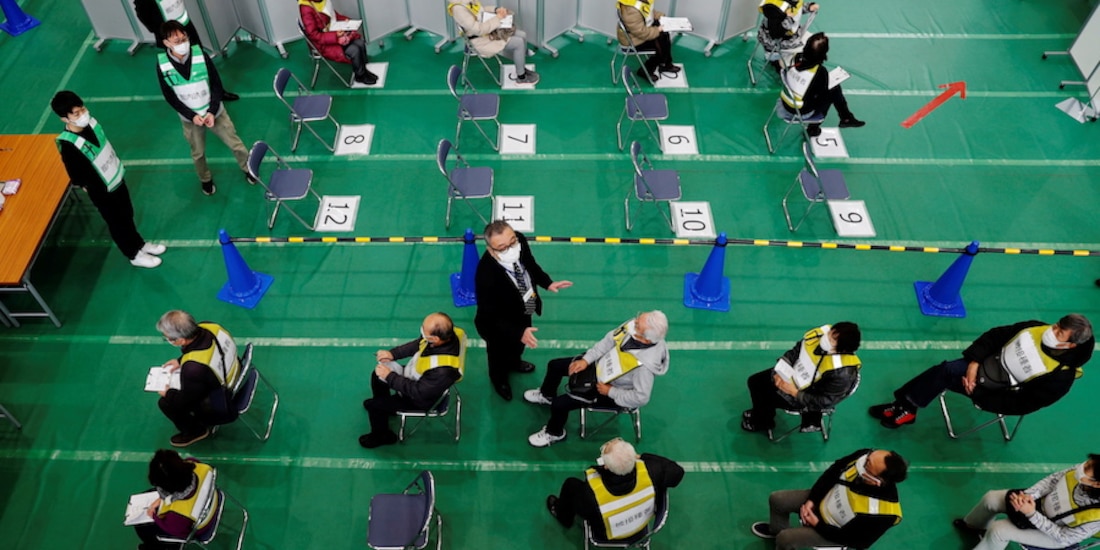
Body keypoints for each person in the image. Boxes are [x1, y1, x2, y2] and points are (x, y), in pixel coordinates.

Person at [869, 314, 1094, 429]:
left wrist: (981, 397)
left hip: (994, 393)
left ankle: (907, 407)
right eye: (1055, 326)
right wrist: (974, 363)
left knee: (945, 373)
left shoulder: (1061, 376)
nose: (1051, 331)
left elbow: (1025, 403)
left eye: (1059, 333)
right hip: (982, 366)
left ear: (1070, 345)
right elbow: (996, 335)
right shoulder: (1035, 328)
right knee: (945, 370)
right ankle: (907, 407)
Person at [51, 91, 166, 269]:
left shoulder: (92, 124)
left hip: (116, 178)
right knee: (117, 222)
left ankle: (139, 243)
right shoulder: (68, 144)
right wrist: (90, 187)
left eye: (83, 109)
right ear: (65, 119)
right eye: (76, 113)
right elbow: (75, 174)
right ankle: (133, 254)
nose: (83, 115)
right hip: (101, 191)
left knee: (127, 214)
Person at [524, 312, 669, 447]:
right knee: (555, 366)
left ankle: (554, 433)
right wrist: (586, 360)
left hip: (608, 390)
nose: (634, 322)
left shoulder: (644, 368)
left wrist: (611, 392)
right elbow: (608, 342)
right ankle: (546, 394)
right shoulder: (632, 327)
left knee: (559, 405)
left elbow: (641, 398)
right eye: (638, 318)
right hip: (599, 366)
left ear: (646, 338)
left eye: (637, 324)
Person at [475, 220, 572, 401]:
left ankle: (514, 362)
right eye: (502, 247)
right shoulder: (485, 274)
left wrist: (547, 282)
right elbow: (490, 315)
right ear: (491, 250)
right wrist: (518, 331)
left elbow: (531, 264)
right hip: (497, 325)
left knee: (518, 346)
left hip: (524, 309)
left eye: (512, 241)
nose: (511, 248)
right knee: (497, 354)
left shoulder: (519, 240)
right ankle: (499, 380)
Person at [157, 20, 253, 197]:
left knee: (235, 144)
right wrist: (191, 115)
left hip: (215, 113)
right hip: (190, 120)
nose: (183, 43)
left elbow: (216, 85)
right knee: (198, 154)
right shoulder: (162, 65)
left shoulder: (201, 55)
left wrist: (211, 110)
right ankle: (205, 179)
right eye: (177, 41)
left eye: (184, 37)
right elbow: (170, 96)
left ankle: (248, 168)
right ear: (166, 43)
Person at [752, 448, 908, 549]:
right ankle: (776, 530)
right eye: (869, 457)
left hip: (833, 531)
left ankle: (781, 542)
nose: (863, 461)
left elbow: (858, 541)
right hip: (822, 502)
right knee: (778, 499)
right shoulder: (865, 456)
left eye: (868, 464)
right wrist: (812, 500)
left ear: (877, 481)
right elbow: (833, 472)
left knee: (786, 539)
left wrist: (817, 524)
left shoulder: (884, 513)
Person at [545, 437, 684, 543]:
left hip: (608, 535)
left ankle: (562, 515)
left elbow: (585, 513)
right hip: (641, 527)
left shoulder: (590, 493)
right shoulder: (651, 471)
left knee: (571, 485)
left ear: (606, 466)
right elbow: (677, 472)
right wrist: (642, 457)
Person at [360, 313, 464, 449]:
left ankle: (382, 436)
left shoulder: (442, 370)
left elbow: (418, 392)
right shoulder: (447, 336)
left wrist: (390, 376)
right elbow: (419, 344)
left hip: (419, 398)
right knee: (378, 374)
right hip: (418, 377)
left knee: (375, 406)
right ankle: (386, 408)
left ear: (435, 339)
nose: (422, 332)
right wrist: (393, 354)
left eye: (424, 331)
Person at [954, 454, 1100, 550]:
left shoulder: (1096, 517)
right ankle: (974, 527)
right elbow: (1052, 480)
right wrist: (1028, 495)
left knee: (999, 530)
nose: (1082, 466)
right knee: (991, 498)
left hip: (1053, 535)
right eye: (1088, 462)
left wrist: (1031, 514)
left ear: (1097, 484)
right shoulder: (1080, 472)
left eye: (1087, 468)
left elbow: (1063, 536)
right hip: (1036, 505)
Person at [742, 322, 861, 434]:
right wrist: (780, 369)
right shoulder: (817, 336)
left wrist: (794, 392)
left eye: (833, 340)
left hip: (803, 396)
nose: (826, 339)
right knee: (755, 381)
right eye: (830, 333)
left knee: (765, 396)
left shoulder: (843, 374)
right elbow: (795, 352)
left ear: (843, 349)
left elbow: (824, 401)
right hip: (789, 375)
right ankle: (761, 413)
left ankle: (763, 422)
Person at [155, 310, 241, 447]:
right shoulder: (210, 326)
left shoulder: (193, 368)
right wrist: (180, 360)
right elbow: (212, 351)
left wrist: (168, 393)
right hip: (236, 370)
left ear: (181, 340)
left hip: (222, 398)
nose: (167, 340)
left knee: (166, 403)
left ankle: (195, 431)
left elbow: (185, 400)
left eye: (168, 338)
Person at [132, 0, 239, 100]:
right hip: (169, 34)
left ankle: (218, 92)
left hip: (185, 26)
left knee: (201, 58)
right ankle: (191, 97)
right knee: (181, 66)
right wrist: (161, 30)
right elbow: (142, 12)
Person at [779, 32, 864, 137]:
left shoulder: (796, 57)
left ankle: (846, 117)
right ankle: (814, 128)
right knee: (833, 92)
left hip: (785, 101)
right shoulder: (819, 72)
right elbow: (821, 95)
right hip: (800, 110)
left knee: (832, 90)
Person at [133, 449, 218, 550]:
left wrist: (154, 516)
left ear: (167, 488)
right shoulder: (197, 466)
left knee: (142, 528)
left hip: (200, 526)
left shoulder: (177, 515)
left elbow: (178, 532)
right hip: (211, 500)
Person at [449, 0, 540, 85]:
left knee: (522, 35)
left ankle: (520, 63)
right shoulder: (459, 9)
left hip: (488, 32)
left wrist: (496, 10)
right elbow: (478, 30)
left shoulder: (466, 1)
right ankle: (521, 77)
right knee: (518, 43)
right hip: (481, 41)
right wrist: (498, 18)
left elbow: (481, 11)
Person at [299, 0, 379, 85]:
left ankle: (363, 70)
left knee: (360, 43)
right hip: (322, 44)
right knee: (354, 50)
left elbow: (333, 15)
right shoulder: (306, 8)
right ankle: (360, 76)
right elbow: (314, 35)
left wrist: (345, 20)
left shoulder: (321, 1)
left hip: (332, 33)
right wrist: (335, 37)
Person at [617, 0, 679, 83]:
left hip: (639, 32)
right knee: (661, 46)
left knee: (664, 36)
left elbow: (649, 13)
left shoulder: (640, 2)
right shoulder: (631, 10)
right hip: (633, 42)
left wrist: (663, 17)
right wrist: (658, 29)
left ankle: (666, 63)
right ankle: (645, 71)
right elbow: (642, 33)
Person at [757, 0, 819, 70]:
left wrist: (808, 7)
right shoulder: (773, 7)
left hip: (788, 35)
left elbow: (796, 9)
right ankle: (778, 61)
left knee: (814, 41)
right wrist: (790, 19)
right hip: (774, 44)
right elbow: (775, 34)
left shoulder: (792, 1)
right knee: (813, 45)